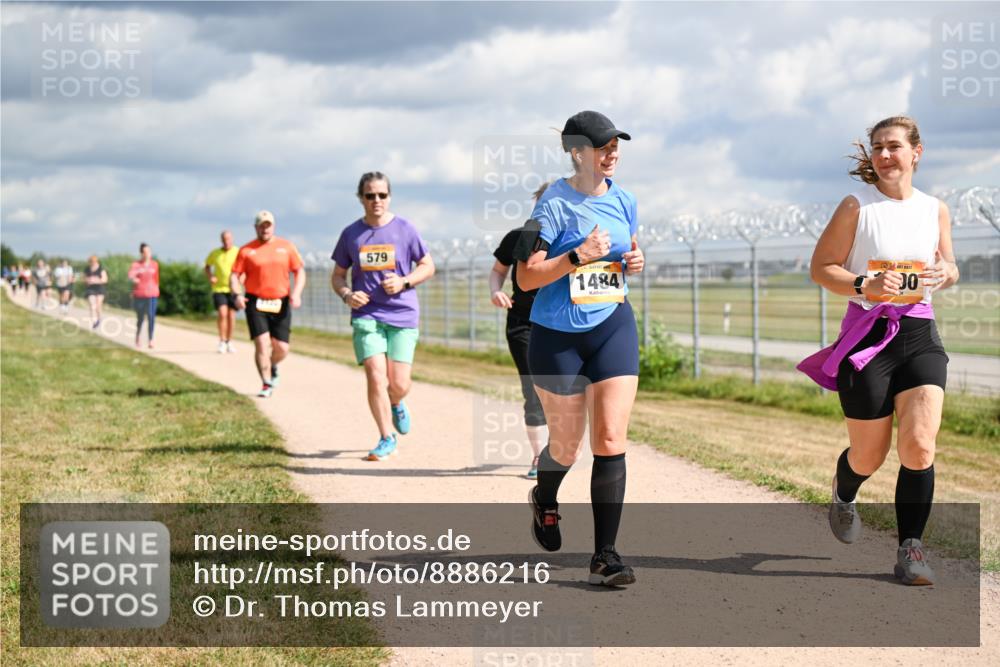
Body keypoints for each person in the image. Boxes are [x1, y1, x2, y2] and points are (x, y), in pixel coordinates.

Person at [799, 116, 959, 586]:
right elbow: (820, 268)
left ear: (916, 153)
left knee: (920, 444)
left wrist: (945, 273)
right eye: (877, 148)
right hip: (868, 337)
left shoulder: (935, 209)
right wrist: (864, 283)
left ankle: (911, 548)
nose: (885, 155)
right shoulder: (857, 206)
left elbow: (949, 264)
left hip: (920, 334)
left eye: (894, 146)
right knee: (870, 456)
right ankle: (845, 489)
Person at [515, 111, 645, 587]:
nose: (612, 153)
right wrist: (575, 257)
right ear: (577, 152)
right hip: (556, 336)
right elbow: (526, 276)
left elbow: (629, 250)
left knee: (610, 439)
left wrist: (635, 260)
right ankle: (545, 499)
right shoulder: (550, 204)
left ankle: (605, 556)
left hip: (612, 325)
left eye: (616, 145)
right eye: (602, 146)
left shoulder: (626, 199)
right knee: (566, 447)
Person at [331, 172, 435, 461]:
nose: (376, 200)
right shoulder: (351, 234)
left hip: (402, 315)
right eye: (369, 195)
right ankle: (386, 436)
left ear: (389, 196)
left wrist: (404, 282)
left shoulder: (405, 229)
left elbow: (428, 266)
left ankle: (397, 401)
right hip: (366, 315)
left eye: (381, 195)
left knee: (398, 383)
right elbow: (338, 276)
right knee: (376, 376)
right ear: (360, 198)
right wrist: (347, 295)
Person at [489, 183, 550, 479]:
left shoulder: (573, 240)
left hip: (560, 323)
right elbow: (498, 271)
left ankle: (562, 449)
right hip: (522, 324)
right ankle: (540, 458)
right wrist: (495, 292)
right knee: (533, 389)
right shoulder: (518, 238)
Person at [230, 210, 306, 398]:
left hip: (281, 301)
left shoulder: (286, 247)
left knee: (282, 348)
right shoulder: (246, 250)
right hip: (256, 301)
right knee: (262, 343)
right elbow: (234, 275)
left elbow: (299, 271)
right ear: (255, 227)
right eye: (261, 225)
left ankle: (272, 365)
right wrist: (237, 294)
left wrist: (296, 293)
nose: (265, 229)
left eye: (268, 225)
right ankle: (265, 382)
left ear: (273, 226)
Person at [205, 230, 240, 353]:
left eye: (228, 239)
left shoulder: (237, 252)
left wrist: (242, 279)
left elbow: (244, 268)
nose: (226, 241)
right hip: (219, 288)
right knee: (222, 314)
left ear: (232, 239)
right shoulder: (215, 253)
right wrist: (210, 277)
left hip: (233, 289)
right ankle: (222, 340)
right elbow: (207, 266)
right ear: (221, 240)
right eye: (224, 239)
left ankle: (229, 341)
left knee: (231, 316)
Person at [128, 243, 160, 348]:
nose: (148, 254)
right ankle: (138, 336)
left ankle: (151, 339)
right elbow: (130, 276)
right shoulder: (136, 265)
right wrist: (134, 279)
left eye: (149, 252)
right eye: (145, 252)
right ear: (141, 253)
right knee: (140, 318)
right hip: (140, 294)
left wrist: (157, 288)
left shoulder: (154, 264)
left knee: (151, 317)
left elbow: (156, 278)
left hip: (152, 294)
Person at [83, 255, 108, 329]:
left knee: (98, 306)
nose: (92, 263)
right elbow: (84, 279)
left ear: (96, 261)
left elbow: (105, 280)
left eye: (93, 262)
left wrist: (96, 280)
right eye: (90, 262)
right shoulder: (87, 269)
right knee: (92, 305)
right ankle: (94, 321)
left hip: (100, 289)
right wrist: (88, 280)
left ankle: (99, 319)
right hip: (91, 289)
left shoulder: (101, 269)